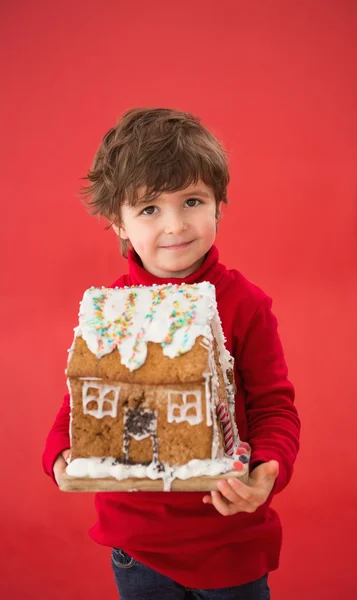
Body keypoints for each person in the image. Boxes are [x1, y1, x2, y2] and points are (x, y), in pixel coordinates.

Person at [42, 108, 301, 600]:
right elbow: (82, 398)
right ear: (116, 221)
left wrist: (267, 468)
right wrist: (58, 454)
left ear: (219, 205)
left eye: (193, 200)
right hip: (136, 547)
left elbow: (274, 406)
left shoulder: (245, 304)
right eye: (149, 209)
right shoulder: (109, 310)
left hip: (228, 539)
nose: (176, 225)